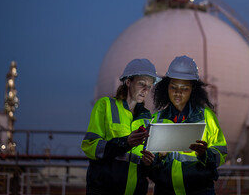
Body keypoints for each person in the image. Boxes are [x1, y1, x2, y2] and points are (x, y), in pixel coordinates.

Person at [150, 55, 227, 195]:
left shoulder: (206, 117)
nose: (178, 93)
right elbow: (147, 162)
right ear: (166, 88)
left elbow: (221, 152)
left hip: (200, 191)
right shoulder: (157, 119)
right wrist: (158, 157)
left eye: (184, 89)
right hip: (165, 191)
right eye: (173, 87)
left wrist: (205, 154)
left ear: (193, 90)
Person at [81, 59, 158, 195]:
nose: (145, 90)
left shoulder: (148, 120)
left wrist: (149, 163)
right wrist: (125, 142)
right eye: (141, 84)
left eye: (149, 86)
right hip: (105, 190)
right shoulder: (105, 106)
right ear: (128, 82)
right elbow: (90, 146)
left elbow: (145, 166)